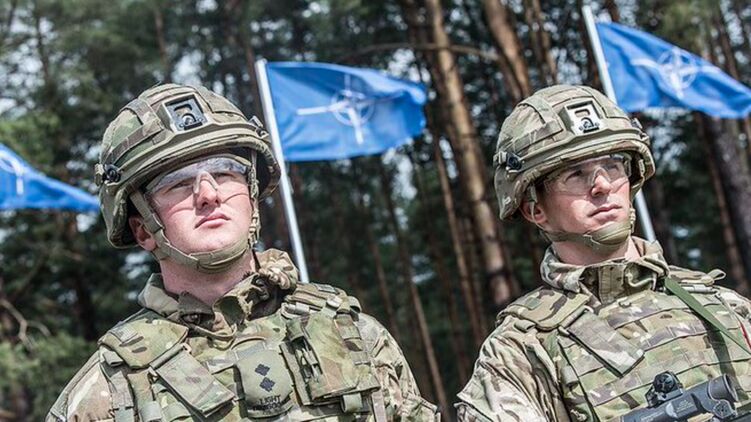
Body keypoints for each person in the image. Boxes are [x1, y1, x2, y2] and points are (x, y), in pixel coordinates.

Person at [47, 83, 438, 421]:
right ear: (142, 229)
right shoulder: (108, 392)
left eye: (224, 171)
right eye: (178, 183)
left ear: (251, 195)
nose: (208, 194)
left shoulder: (355, 336)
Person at [455, 85, 751, 421]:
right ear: (535, 208)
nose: (602, 185)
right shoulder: (522, 351)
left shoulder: (722, 305)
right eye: (575, 174)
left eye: (613, 165)